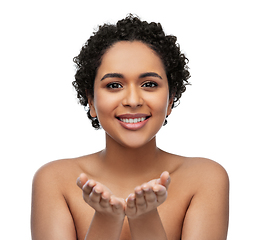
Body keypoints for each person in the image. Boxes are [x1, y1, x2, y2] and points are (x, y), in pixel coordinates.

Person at [31, 14, 229, 240]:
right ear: (92, 101)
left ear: (171, 99)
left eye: (149, 84)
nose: (133, 100)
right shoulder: (55, 181)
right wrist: (105, 220)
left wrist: (145, 218)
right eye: (114, 85)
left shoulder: (205, 178)